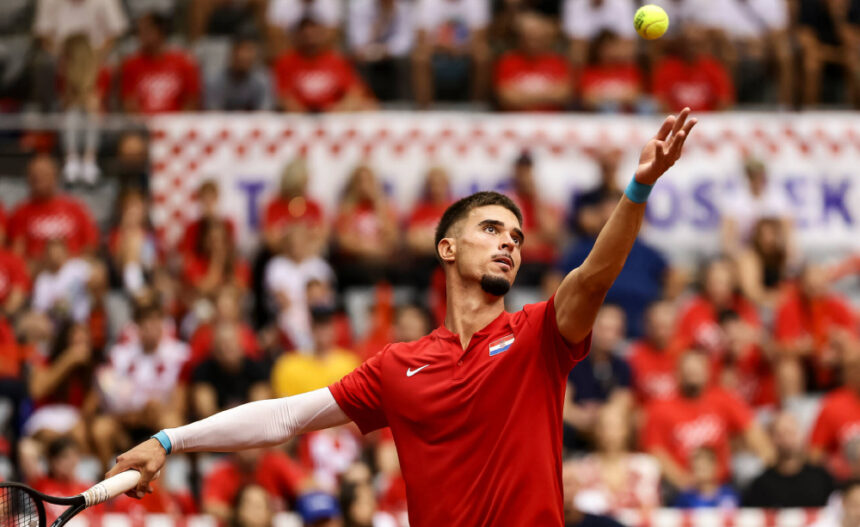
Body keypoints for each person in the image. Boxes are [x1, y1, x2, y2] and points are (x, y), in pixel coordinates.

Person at [108, 109, 698, 526]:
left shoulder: (539, 334)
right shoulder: (398, 366)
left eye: (516, 238)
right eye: (491, 229)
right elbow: (286, 417)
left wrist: (639, 187)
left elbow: (594, 275)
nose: (509, 244)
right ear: (447, 248)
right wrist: (169, 439)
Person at [642, 350, 775, 491]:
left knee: (748, 469)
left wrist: (772, 467)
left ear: (707, 372)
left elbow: (753, 431)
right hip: (679, 488)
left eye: (697, 370)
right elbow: (655, 450)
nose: (692, 375)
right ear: (678, 373)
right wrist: (683, 481)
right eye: (688, 371)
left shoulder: (723, 399)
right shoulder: (660, 407)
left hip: (722, 483)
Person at [774, 263, 858, 390]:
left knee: (853, 357)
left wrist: (837, 350)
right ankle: (793, 405)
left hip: (835, 365)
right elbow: (781, 347)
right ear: (802, 285)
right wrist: (807, 349)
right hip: (805, 367)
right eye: (811, 287)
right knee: (787, 368)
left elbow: (853, 341)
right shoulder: (789, 307)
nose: (816, 292)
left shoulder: (839, 305)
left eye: (820, 286)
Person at [564, 405, 660, 515]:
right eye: (604, 426)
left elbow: (650, 507)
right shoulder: (581, 468)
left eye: (616, 426)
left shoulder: (645, 466)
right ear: (596, 430)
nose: (610, 432)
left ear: (627, 429)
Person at [8, 155, 99, 266]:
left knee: (96, 274)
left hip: (72, 266)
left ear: (55, 176)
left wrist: (71, 264)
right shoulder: (21, 212)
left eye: (44, 174)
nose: (38, 178)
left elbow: (90, 245)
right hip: (39, 269)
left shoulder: (74, 207)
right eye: (34, 175)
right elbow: (17, 254)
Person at [272, 17, 375, 113]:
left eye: (314, 33)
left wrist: (336, 111)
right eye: (305, 34)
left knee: (369, 107)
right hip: (299, 119)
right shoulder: (285, 62)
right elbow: (283, 97)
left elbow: (354, 92)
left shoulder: (337, 60)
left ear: (322, 34)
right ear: (297, 36)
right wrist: (306, 116)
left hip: (334, 116)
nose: (309, 38)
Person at [743, 411, 836, 508]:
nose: (787, 439)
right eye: (780, 434)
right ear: (771, 439)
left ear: (802, 435)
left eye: (791, 433)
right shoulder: (760, 486)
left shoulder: (822, 479)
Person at [411, 0, 491, 108]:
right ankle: (424, 108)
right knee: (420, 56)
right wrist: (445, 47)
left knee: (483, 54)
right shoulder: (427, 2)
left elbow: (480, 37)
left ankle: (477, 106)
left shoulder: (476, 2)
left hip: (466, 51)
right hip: (437, 51)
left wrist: (458, 48)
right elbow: (421, 38)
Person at [120, 12, 201, 113]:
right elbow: (130, 102)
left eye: (146, 31)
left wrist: (178, 124)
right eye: (139, 32)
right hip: (142, 126)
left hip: (176, 125)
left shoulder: (183, 63)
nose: (141, 36)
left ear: (160, 31)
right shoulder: (131, 65)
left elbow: (191, 100)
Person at [493, 10, 573, 112]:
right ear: (520, 38)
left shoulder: (558, 61)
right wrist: (548, 95)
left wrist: (523, 96)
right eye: (529, 37)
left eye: (538, 38)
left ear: (547, 38)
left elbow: (564, 94)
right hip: (513, 122)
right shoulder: (507, 61)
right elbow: (505, 97)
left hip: (552, 123)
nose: (533, 42)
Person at [653, 25, 734, 112]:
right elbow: (660, 100)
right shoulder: (667, 67)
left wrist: (711, 121)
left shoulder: (713, 66)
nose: (692, 48)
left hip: (707, 121)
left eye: (696, 43)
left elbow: (724, 100)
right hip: (677, 120)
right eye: (688, 43)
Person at [347, 0, 414, 101]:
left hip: (392, 56)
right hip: (367, 55)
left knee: (410, 61)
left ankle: (403, 103)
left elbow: (406, 43)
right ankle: (364, 102)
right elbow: (358, 43)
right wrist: (383, 19)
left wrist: (386, 50)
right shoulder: (358, 7)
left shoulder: (403, 7)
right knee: (357, 60)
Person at [579, 30, 645, 113]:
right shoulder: (590, 71)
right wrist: (618, 96)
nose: (610, 51)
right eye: (606, 47)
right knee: (608, 107)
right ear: (598, 50)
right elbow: (588, 99)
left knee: (647, 105)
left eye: (613, 46)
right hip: (600, 117)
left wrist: (605, 95)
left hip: (629, 115)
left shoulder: (630, 69)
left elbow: (635, 96)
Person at [629, 300, 680, 404]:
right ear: (647, 326)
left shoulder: (685, 353)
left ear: (675, 326)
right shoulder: (635, 355)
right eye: (657, 326)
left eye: (665, 327)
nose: (661, 333)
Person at [206, 35, 273, 111]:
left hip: (252, 122)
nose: (245, 56)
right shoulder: (215, 80)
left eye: (249, 51)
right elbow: (213, 113)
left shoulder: (262, 80)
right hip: (223, 122)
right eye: (241, 50)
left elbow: (265, 112)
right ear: (232, 54)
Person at [672, 447, 740, 508]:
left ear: (715, 466)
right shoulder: (686, 498)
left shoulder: (728, 495)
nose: (702, 473)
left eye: (705, 468)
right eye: (698, 468)